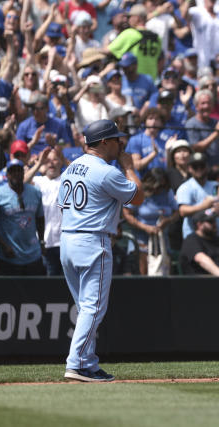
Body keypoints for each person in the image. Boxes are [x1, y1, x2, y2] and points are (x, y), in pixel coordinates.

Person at [59, 119, 144, 382]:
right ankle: (77, 364)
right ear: (104, 142)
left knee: (85, 307)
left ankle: (88, 362)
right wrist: (129, 167)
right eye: (116, 139)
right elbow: (138, 198)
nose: (121, 143)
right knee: (93, 308)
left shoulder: (72, 167)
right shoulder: (106, 171)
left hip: (68, 240)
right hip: (92, 241)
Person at [0, 159, 46, 275]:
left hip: (33, 255)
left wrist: (42, 241)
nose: (16, 174)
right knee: (8, 293)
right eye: (13, 171)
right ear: (7, 174)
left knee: (36, 292)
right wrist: (3, 246)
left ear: (23, 173)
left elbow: (40, 218)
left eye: (19, 171)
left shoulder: (35, 192)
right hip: (9, 256)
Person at [122, 168, 179, 275]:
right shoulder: (139, 192)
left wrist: (168, 220)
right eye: (157, 187)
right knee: (143, 276)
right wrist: (145, 227)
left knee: (163, 273)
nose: (159, 190)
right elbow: (126, 214)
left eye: (162, 186)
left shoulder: (167, 192)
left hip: (162, 241)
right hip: (141, 242)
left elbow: (177, 212)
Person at [32, 149, 64, 275]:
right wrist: (39, 163)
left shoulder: (66, 179)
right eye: (48, 160)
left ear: (61, 161)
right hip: (43, 243)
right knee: (48, 287)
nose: (51, 163)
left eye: (55, 159)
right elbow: (21, 182)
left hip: (64, 243)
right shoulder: (38, 181)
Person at [179, 211, 219, 276]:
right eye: (210, 222)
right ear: (199, 225)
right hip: (203, 282)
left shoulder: (217, 240)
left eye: (214, 221)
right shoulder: (191, 240)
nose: (214, 224)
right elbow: (201, 259)